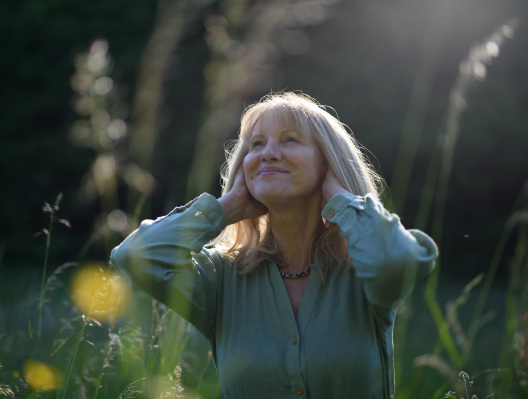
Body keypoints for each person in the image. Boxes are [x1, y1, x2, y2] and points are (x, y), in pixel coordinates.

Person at [110, 92, 438, 398]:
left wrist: (341, 200)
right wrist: (229, 206)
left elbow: (399, 260)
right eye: (255, 144)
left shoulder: (365, 266)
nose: (267, 153)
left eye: (290, 140)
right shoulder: (221, 278)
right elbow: (133, 256)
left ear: (328, 164)